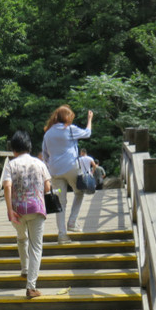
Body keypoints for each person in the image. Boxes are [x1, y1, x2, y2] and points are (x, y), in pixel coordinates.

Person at [3, 130, 52, 299]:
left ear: (13, 149)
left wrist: (10, 210)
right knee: (36, 247)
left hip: (17, 211)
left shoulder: (10, 164)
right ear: (29, 146)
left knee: (21, 238)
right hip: (36, 209)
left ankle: (24, 269)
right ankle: (31, 286)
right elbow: (47, 188)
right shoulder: (39, 163)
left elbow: (7, 186)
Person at [41, 104, 93, 244]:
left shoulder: (48, 133)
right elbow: (87, 133)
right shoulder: (69, 129)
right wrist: (89, 119)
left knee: (60, 202)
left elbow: (45, 155)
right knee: (80, 191)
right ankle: (72, 221)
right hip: (71, 168)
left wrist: (50, 168)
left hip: (55, 172)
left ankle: (62, 235)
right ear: (66, 118)